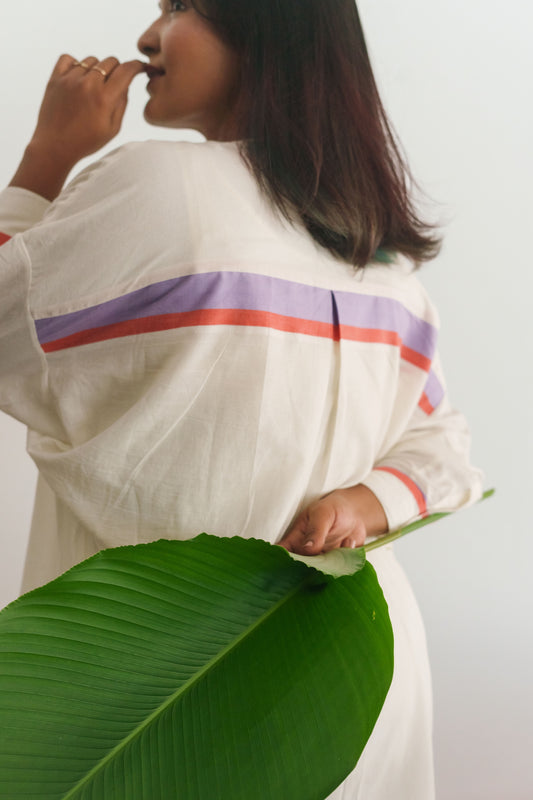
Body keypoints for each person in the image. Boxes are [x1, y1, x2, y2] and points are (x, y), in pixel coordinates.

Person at [0, 0, 483, 797]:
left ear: (266, 26)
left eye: (180, 6)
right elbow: (442, 443)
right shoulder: (379, 259)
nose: (147, 36)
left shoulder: (155, 186)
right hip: (353, 684)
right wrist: (368, 503)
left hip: (167, 691)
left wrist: (45, 156)